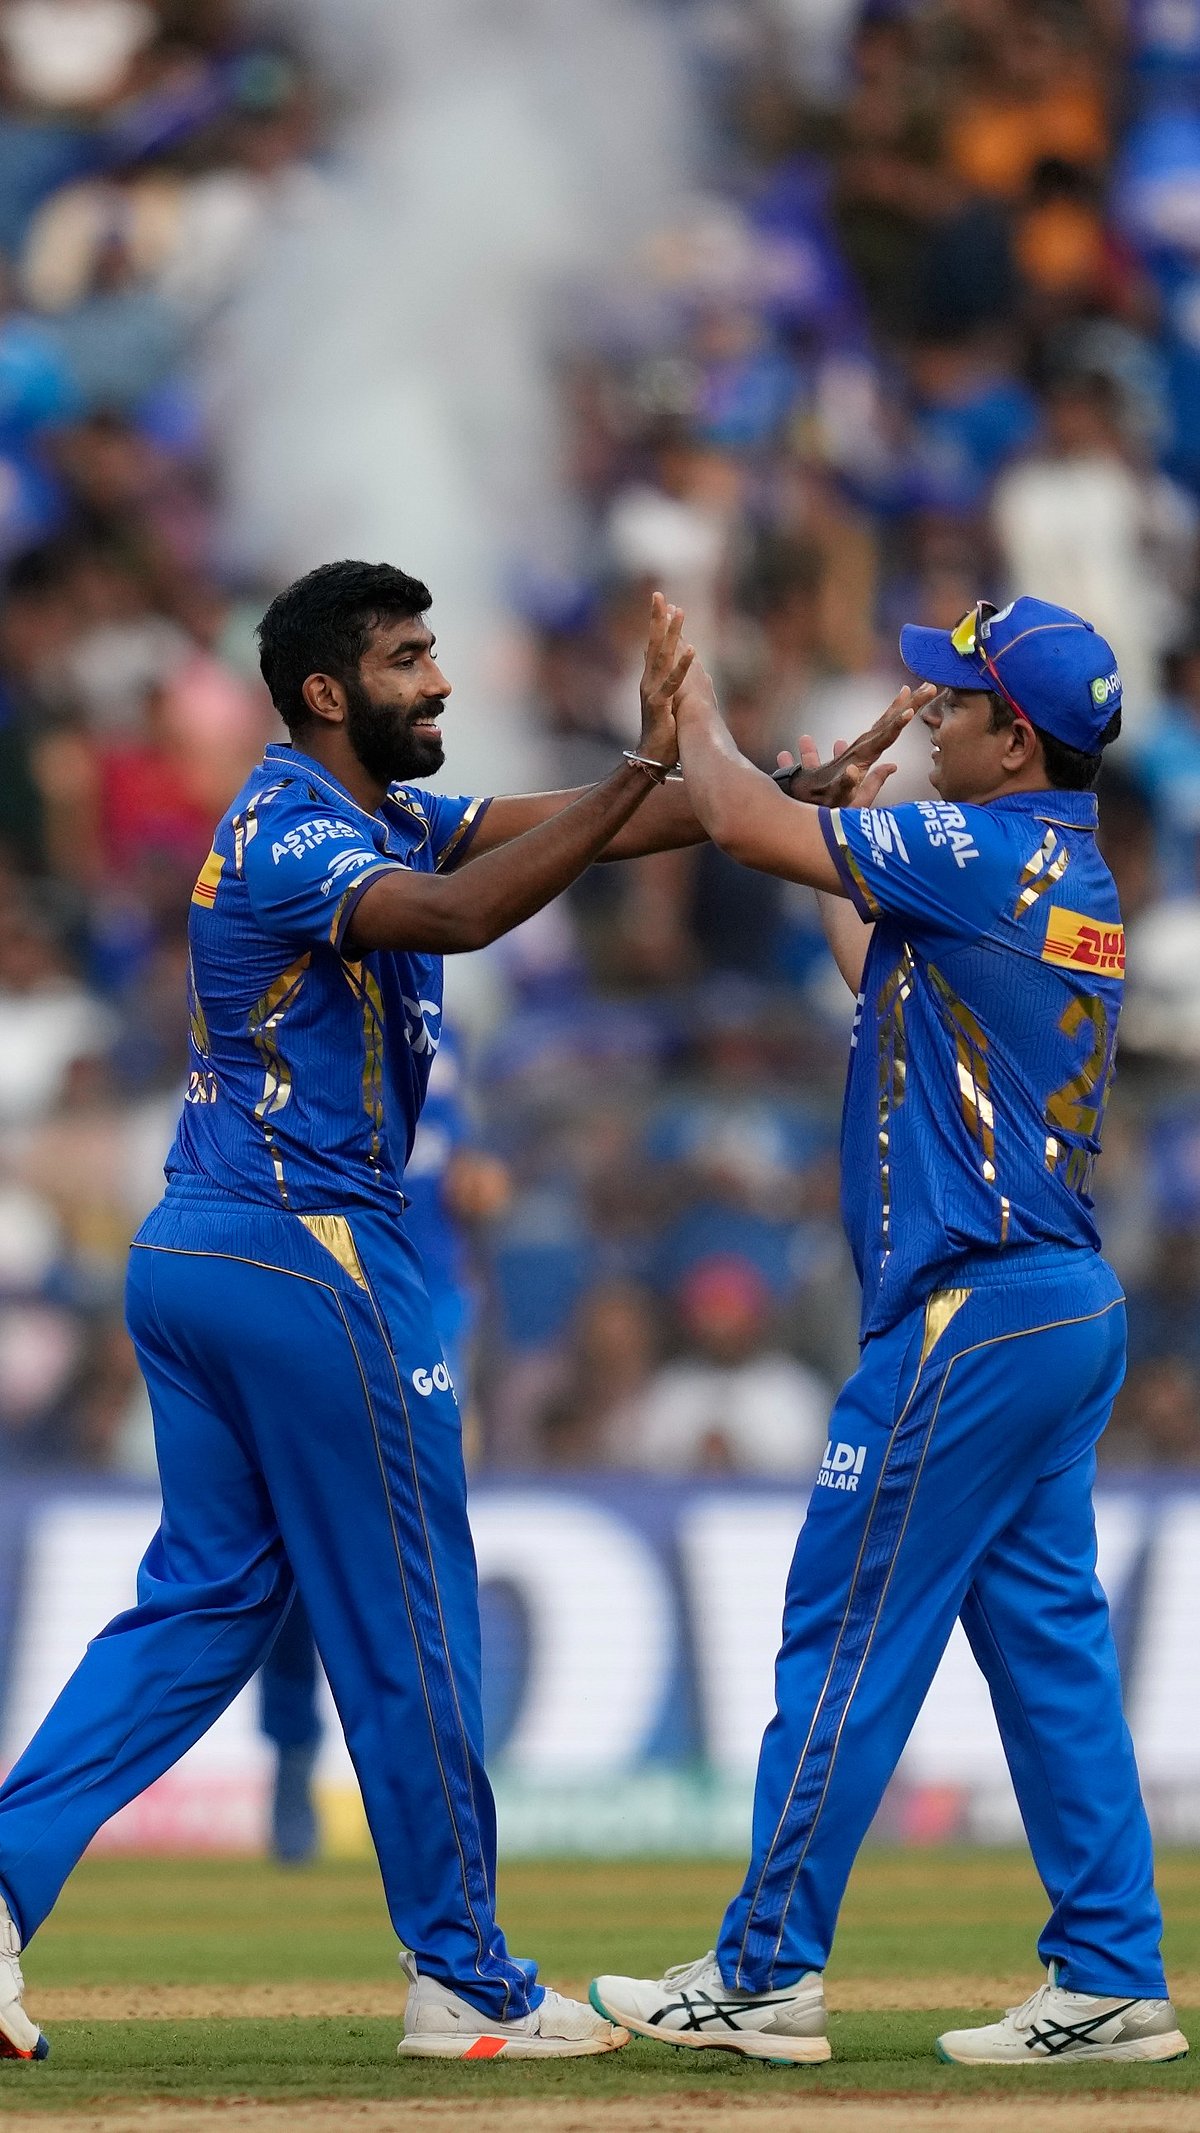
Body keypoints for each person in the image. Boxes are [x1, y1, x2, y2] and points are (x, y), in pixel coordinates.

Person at [0, 560, 896, 2067]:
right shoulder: (296, 830)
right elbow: (469, 916)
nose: (444, 680)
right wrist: (643, 758)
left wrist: (765, 791)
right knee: (412, 1609)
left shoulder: (372, 810)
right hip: (308, 1252)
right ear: (329, 695)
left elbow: (578, 832)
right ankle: (467, 1976)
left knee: (209, 1600)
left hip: (209, 1250)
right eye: (413, 659)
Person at [592, 595, 1189, 2068]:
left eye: (954, 703)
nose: (929, 715)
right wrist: (844, 842)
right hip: (1053, 1307)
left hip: (971, 1316)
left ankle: (764, 1971)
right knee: (1049, 1652)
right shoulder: (1054, 871)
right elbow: (891, 990)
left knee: (845, 1628)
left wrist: (699, 709)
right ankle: (1112, 1974)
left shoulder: (980, 852)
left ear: (1017, 739)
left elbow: (729, 820)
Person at [259, 1024, 509, 1866]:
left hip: (424, 1312)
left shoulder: (441, 1033)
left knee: (415, 1557)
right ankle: (295, 1752)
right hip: (311, 1297)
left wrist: (481, 1192)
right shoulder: (296, 1000)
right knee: (290, 1557)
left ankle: (430, 1795)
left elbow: (463, 1170)